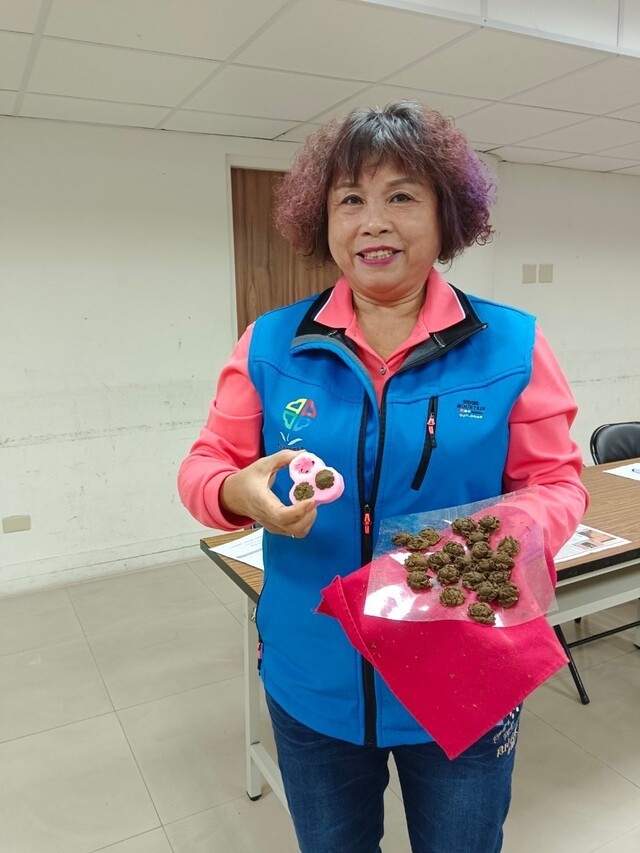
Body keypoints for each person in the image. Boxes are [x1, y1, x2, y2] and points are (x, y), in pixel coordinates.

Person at [178, 101, 588, 853]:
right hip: (313, 677)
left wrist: (491, 541)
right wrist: (240, 492)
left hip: (466, 670)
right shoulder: (271, 344)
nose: (374, 222)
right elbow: (205, 467)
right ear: (323, 217)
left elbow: (559, 486)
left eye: (401, 196)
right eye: (350, 200)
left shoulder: (512, 344)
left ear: (445, 214)